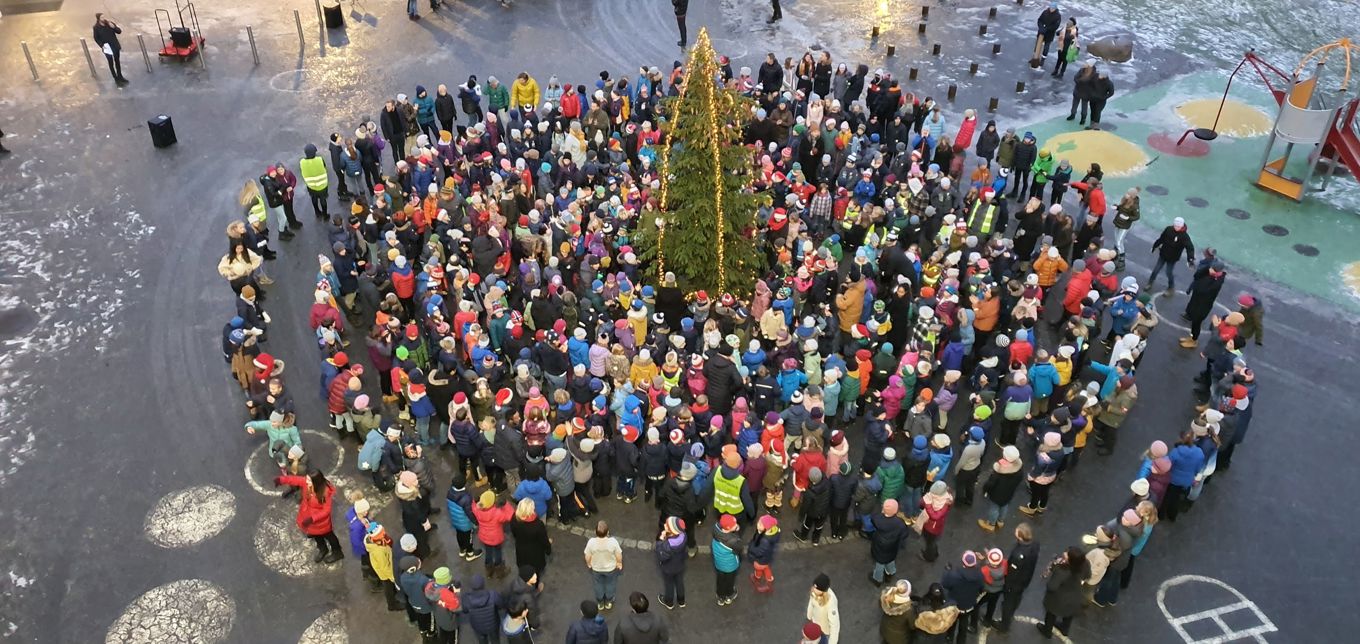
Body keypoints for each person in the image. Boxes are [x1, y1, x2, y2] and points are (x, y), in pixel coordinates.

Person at [274, 469, 343, 563]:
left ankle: (337, 552)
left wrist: (312, 519)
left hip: (320, 522)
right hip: (309, 517)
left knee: (329, 536)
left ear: (316, 482)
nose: (306, 481)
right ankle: (323, 549)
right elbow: (296, 480)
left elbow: (326, 511)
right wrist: (281, 480)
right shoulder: (309, 484)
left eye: (309, 480)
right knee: (316, 535)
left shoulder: (325, 493)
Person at [992, 523, 1039, 632]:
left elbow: (1013, 573)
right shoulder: (1035, 544)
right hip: (1024, 580)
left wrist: (1007, 585)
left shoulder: (1019, 554)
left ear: (1020, 536)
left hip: (1014, 583)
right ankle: (1011, 612)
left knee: (1008, 603)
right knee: (1016, 598)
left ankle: (1004, 625)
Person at [1037, 546, 1087, 638]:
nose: (1064, 553)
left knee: (1051, 614)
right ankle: (1064, 629)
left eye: (1067, 553)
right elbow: (1088, 575)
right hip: (1075, 596)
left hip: (1059, 599)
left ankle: (1047, 631)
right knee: (1069, 614)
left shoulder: (1061, 571)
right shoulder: (1084, 565)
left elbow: (1052, 586)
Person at [1148, 217, 1195, 295]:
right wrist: (1155, 246)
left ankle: (1171, 287)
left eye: (1178, 226)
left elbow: (1190, 248)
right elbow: (1161, 239)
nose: (1176, 227)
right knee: (1156, 269)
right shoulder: (1168, 229)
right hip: (1163, 254)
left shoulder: (1184, 236)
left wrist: (1190, 259)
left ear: (1182, 226)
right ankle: (1150, 283)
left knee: (1168, 272)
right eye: (1175, 226)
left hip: (1173, 258)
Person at [584, 520, 624, 611]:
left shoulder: (591, 542)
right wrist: (619, 563)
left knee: (598, 584)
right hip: (610, 569)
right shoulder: (613, 542)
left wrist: (589, 563)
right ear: (608, 532)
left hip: (596, 568)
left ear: (595, 532)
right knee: (610, 583)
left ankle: (600, 602)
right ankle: (609, 601)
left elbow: (587, 556)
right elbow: (618, 554)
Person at [510, 498, 552, 578]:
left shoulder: (514, 518)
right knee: (535, 573)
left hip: (521, 550)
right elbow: (543, 540)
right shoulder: (538, 525)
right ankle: (535, 584)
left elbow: (514, 533)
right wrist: (548, 549)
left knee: (524, 570)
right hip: (535, 552)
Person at [869, 499, 908, 586]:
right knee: (890, 560)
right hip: (892, 546)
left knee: (880, 563)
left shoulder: (878, 518)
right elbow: (904, 534)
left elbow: (873, 520)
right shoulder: (899, 523)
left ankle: (877, 579)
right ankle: (890, 572)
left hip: (879, 545)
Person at [711, 514, 745, 605]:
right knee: (729, 580)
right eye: (734, 525)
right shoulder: (733, 541)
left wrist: (734, 528)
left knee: (720, 579)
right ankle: (729, 595)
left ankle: (720, 596)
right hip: (730, 566)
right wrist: (737, 532)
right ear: (729, 528)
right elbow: (740, 548)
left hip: (719, 563)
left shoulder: (715, 529)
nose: (736, 525)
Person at [655, 516, 688, 609]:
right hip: (680, 565)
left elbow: (661, 555)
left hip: (668, 568)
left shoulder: (667, 545)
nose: (664, 525)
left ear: (672, 531)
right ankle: (681, 601)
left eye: (667, 525)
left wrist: (661, 540)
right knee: (679, 582)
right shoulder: (684, 535)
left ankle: (669, 602)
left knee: (669, 584)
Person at [748, 515, 781, 593]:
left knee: (758, 568)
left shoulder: (764, 541)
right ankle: (769, 580)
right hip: (766, 558)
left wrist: (751, 548)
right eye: (758, 522)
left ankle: (757, 577)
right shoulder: (772, 532)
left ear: (766, 528)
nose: (757, 524)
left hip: (761, 560)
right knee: (766, 568)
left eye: (760, 524)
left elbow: (758, 552)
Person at [806, 573, 841, 644]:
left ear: (823, 591)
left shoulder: (831, 602)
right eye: (814, 587)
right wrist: (809, 615)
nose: (814, 590)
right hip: (815, 625)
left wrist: (832, 642)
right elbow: (811, 603)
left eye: (817, 589)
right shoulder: (814, 593)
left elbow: (834, 625)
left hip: (825, 632)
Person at [92, 13, 127, 84]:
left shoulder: (109, 24)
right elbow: (96, 38)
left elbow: (119, 31)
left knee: (117, 61)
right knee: (111, 63)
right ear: (98, 18)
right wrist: (102, 45)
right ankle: (116, 78)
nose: (104, 18)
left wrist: (114, 27)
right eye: (102, 17)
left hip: (115, 45)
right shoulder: (96, 27)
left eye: (104, 16)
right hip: (107, 47)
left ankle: (120, 76)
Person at [879, 580, 915, 644]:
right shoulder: (908, 610)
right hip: (898, 638)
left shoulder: (886, 596)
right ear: (909, 592)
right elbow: (912, 626)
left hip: (884, 629)